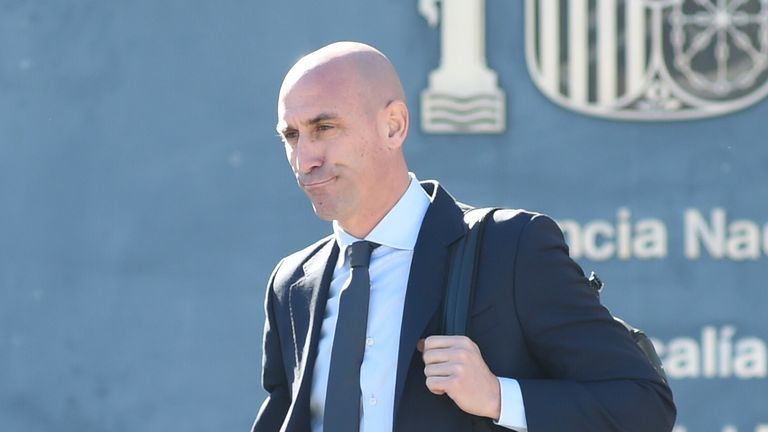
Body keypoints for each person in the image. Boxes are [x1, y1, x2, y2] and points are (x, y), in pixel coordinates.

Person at [252, 41, 676, 432]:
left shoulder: (512, 248)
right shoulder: (293, 283)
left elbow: (643, 405)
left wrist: (497, 396)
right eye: (291, 135)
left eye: (324, 127)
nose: (304, 159)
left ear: (394, 126)